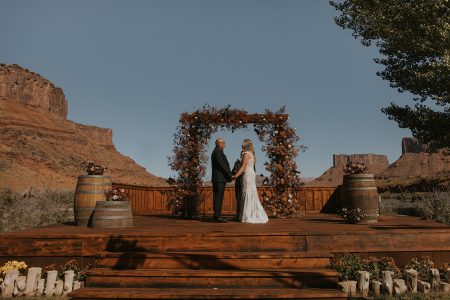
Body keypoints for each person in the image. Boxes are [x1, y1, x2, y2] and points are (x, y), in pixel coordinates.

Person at [232, 139, 269, 224]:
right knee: (251, 193)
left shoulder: (246, 154)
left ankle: (247, 215)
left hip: (247, 175)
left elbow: (243, 167)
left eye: (242, 145)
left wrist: (236, 175)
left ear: (245, 145)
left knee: (247, 193)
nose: (241, 146)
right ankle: (249, 214)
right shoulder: (252, 154)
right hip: (251, 174)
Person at [211, 138, 232, 223]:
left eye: (224, 143)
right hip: (219, 178)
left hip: (217, 178)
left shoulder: (216, 152)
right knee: (219, 197)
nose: (224, 145)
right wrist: (230, 175)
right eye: (223, 143)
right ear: (218, 143)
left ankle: (216, 215)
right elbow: (222, 165)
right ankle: (217, 216)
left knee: (217, 197)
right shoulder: (218, 152)